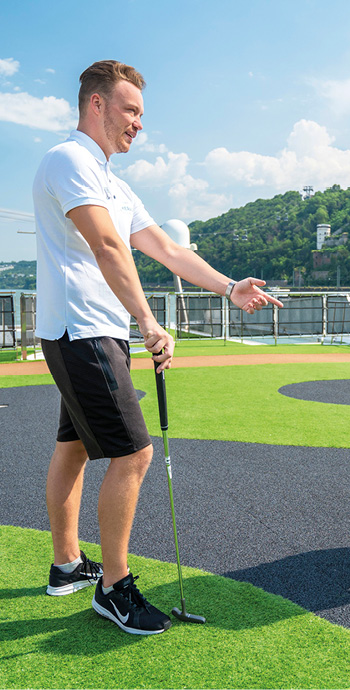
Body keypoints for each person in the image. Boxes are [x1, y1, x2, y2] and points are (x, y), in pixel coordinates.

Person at [33, 60, 283, 635]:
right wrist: (149, 321)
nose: (138, 124)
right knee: (134, 454)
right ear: (96, 104)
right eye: (130, 110)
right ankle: (113, 587)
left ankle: (66, 565)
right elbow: (106, 247)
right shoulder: (68, 160)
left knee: (73, 446)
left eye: (141, 114)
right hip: (83, 331)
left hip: (95, 330)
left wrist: (228, 286)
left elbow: (167, 249)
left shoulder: (114, 183)